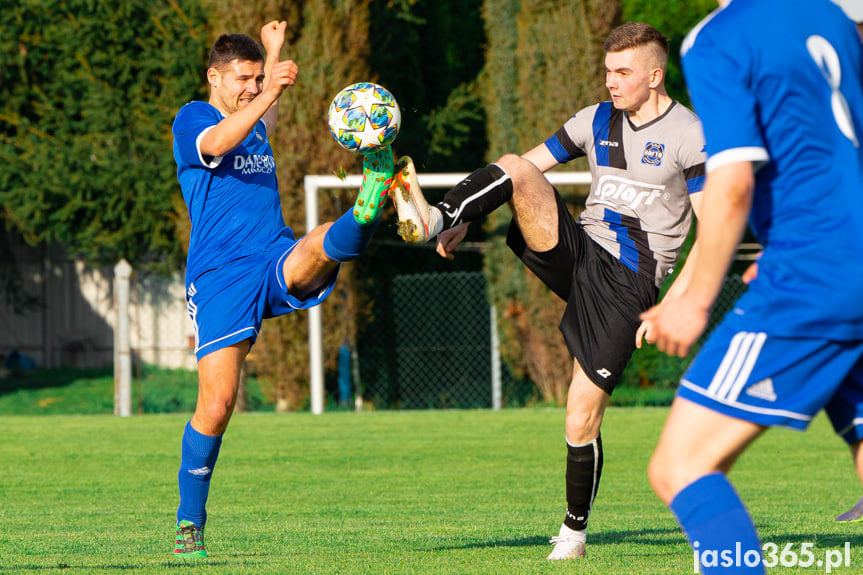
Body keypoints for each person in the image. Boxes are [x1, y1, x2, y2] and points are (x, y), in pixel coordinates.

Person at [392, 21, 706, 559]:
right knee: (514, 165)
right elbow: (524, 170)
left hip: (630, 285)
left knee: (580, 414)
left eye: (623, 72)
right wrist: (466, 216)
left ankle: (574, 534)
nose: (610, 81)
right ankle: (435, 216)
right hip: (580, 251)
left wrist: (677, 301)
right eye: (607, 70)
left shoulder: (691, 134)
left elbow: (714, 226)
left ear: (655, 75)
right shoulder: (593, 119)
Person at [641, 0, 863, 572]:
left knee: (681, 466)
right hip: (844, 253)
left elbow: (733, 183)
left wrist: (694, 301)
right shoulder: (831, 18)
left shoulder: (719, 37)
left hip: (815, 274)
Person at [170, 21, 393, 557]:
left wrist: (272, 52)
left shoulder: (256, 117)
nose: (250, 87)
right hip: (220, 277)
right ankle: (188, 521)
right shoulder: (193, 118)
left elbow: (260, 115)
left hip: (273, 255)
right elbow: (221, 140)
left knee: (319, 242)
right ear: (214, 77)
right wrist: (270, 83)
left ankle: (368, 202)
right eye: (240, 79)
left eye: (255, 79)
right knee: (218, 405)